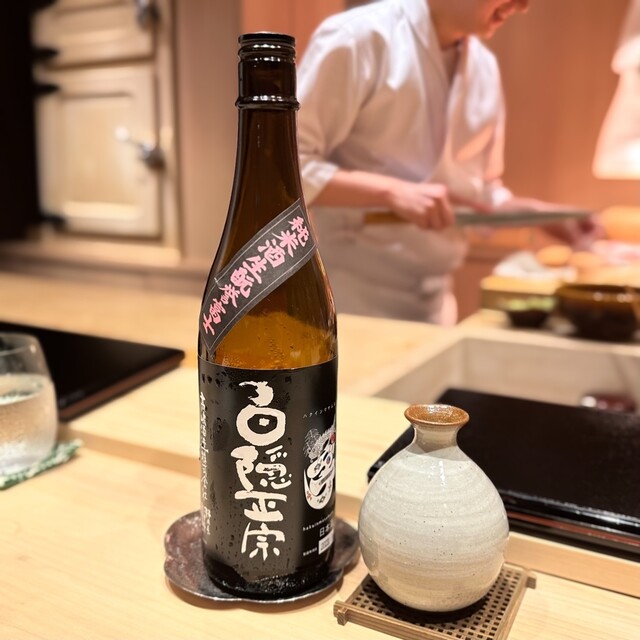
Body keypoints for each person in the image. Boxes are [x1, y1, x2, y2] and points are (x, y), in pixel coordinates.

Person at [297, 0, 600, 324]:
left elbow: (479, 195)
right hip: (352, 298)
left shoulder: (483, 66)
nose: (523, 5)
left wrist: (542, 217)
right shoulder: (357, 38)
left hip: (437, 302)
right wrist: (391, 193)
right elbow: (289, 168)